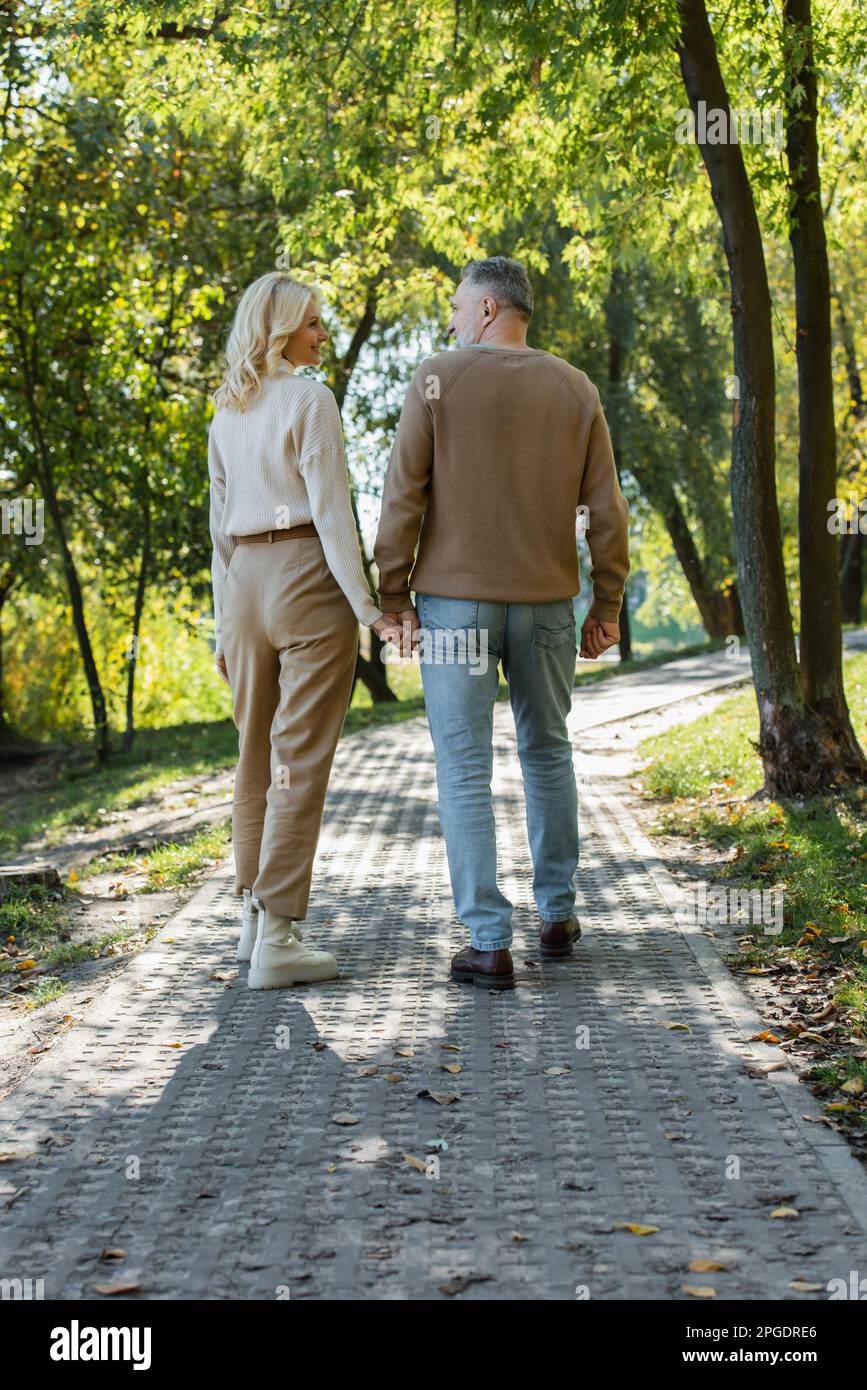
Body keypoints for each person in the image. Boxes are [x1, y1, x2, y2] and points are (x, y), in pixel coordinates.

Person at [374, 255, 630, 990]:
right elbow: (606, 513)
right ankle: (557, 916)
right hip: (548, 603)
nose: (450, 320)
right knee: (546, 751)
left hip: (453, 605)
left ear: (486, 309)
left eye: (456, 307)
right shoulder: (574, 387)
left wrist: (392, 598)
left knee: (462, 766)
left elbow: (401, 500)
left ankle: (488, 943)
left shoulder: (436, 379)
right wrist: (604, 604)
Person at [209, 271, 400, 989]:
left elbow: (217, 535)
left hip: (243, 591)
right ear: (282, 328)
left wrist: (222, 627)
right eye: (314, 322)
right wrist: (370, 608)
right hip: (303, 578)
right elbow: (331, 515)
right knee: (298, 760)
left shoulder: (227, 412)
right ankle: (281, 935)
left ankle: (252, 923)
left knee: (253, 757)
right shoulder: (310, 400)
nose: (324, 333)